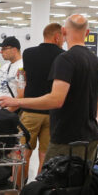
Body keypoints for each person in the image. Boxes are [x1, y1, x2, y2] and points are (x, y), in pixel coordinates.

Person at [0, 15, 98, 163]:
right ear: (87, 33)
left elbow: (56, 100)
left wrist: (17, 102)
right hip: (90, 137)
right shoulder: (96, 61)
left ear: (64, 31)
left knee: (51, 174)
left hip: (67, 138)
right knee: (81, 177)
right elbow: (96, 101)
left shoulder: (66, 59)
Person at [20, 23, 64, 174]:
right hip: (53, 113)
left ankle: (19, 185)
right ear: (57, 37)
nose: (63, 41)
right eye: (63, 37)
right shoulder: (64, 56)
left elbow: (26, 77)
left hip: (30, 110)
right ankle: (40, 185)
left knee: (24, 152)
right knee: (46, 155)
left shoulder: (28, 53)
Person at [0, 36, 24, 113]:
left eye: (4, 49)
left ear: (14, 50)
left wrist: (8, 112)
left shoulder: (21, 68)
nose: (1, 52)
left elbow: (21, 95)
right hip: (0, 110)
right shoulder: (5, 67)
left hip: (11, 113)